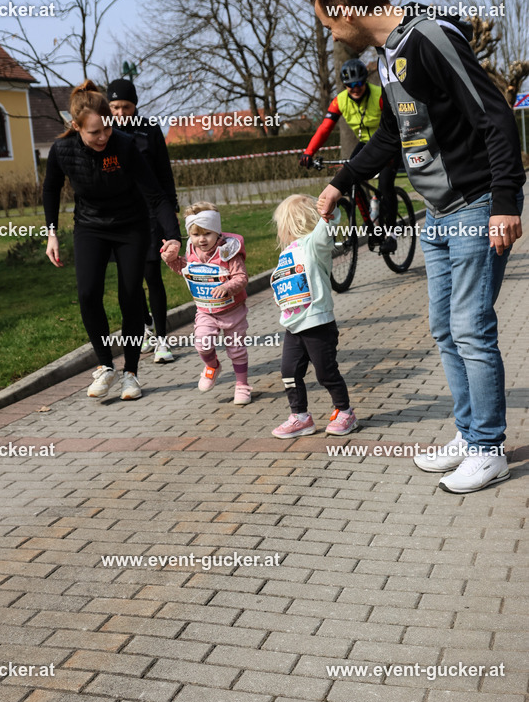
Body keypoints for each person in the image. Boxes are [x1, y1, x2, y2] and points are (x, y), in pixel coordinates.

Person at [312, 0, 524, 493]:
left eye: (328, 24)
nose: (331, 35)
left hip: (476, 208)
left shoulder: (428, 36)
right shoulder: (388, 57)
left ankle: (488, 448)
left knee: (472, 327)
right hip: (437, 214)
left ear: (345, 11)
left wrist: (506, 202)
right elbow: (391, 135)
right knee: (446, 328)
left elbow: (493, 112)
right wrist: (340, 182)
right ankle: (469, 432)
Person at [43, 80, 181, 401]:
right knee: (88, 293)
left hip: (131, 226)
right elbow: (50, 189)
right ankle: (105, 366)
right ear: (77, 127)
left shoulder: (124, 145)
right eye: (94, 132)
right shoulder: (62, 150)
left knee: (130, 296)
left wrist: (173, 237)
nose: (104, 136)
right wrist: (51, 231)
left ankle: (130, 373)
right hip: (90, 226)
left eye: (106, 128)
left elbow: (156, 195)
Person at [270, 194, 358, 438]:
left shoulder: (315, 245)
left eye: (282, 225)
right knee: (288, 371)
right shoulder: (287, 252)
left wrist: (329, 209)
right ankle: (300, 417)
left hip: (318, 323)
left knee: (326, 372)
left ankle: (345, 412)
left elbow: (325, 227)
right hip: (293, 326)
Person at [107, 78, 179, 364]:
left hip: (151, 213)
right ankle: (147, 326)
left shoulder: (149, 130)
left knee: (152, 277)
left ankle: (162, 339)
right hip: (121, 216)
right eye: (114, 107)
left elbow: (164, 172)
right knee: (129, 282)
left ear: (134, 105)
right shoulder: (106, 134)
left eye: (125, 106)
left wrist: (170, 208)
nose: (120, 112)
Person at [160, 202, 252, 404]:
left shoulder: (229, 251)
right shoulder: (192, 251)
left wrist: (228, 287)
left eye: (207, 234)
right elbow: (185, 271)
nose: (201, 240)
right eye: (195, 235)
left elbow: (242, 277)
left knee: (236, 349)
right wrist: (172, 259)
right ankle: (212, 366)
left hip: (232, 310)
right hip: (206, 310)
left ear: (217, 232)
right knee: (202, 344)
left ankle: (242, 385)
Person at [299, 58, 398, 239]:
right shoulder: (340, 101)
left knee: (385, 185)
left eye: (359, 83)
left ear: (365, 81)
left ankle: (391, 233)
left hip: (387, 143)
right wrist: (309, 152)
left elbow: (395, 123)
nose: (355, 88)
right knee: (348, 178)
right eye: (350, 85)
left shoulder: (379, 95)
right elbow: (325, 128)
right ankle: (369, 220)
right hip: (365, 144)